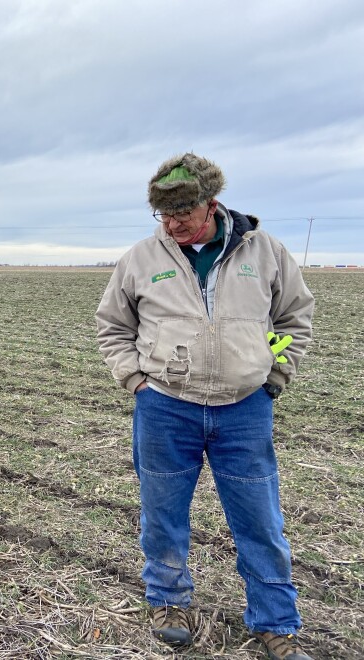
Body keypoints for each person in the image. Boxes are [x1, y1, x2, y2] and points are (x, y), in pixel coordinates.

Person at [95, 153, 315, 660]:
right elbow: (113, 325)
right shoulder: (141, 259)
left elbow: (296, 316)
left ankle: (276, 624)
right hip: (166, 409)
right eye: (163, 217)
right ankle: (169, 602)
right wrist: (133, 379)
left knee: (260, 519)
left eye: (183, 216)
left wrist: (275, 376)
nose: (172, 226)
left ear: (211, 205)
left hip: (244, 410)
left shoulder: (266, 253)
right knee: (164, 513)